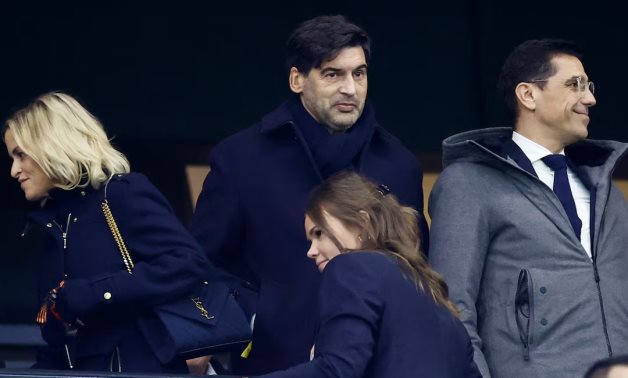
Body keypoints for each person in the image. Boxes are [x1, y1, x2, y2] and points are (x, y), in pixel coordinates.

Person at [190, 15, 428, 375]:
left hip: (379, 364)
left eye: (359, 74)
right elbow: (202, 263)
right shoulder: (241, 159)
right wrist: (252, 318)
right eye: (333, 74)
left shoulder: (399, 165)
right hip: (272, 362)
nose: (350, 88)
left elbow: (416, 270)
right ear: (297, 79)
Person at [428, 38, 628, 378]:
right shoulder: (469, 184)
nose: (589, 98)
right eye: (574, 85)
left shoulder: (606, 192)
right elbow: (450, 310)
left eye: (589, 86)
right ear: (528, 95)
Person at [3, 92, 210, 373]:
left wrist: (96, 293)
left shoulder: (120, 195)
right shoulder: (51, 224)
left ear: (52, 145)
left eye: (20, 155)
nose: (14, 170)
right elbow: (62, 342)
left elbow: (189, 264)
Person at [257, 171, 479, 378]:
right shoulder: (432, 293)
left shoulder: (352, 267)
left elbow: (338, 368)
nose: (311, 251)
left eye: (319, 233)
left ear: (361, 225)